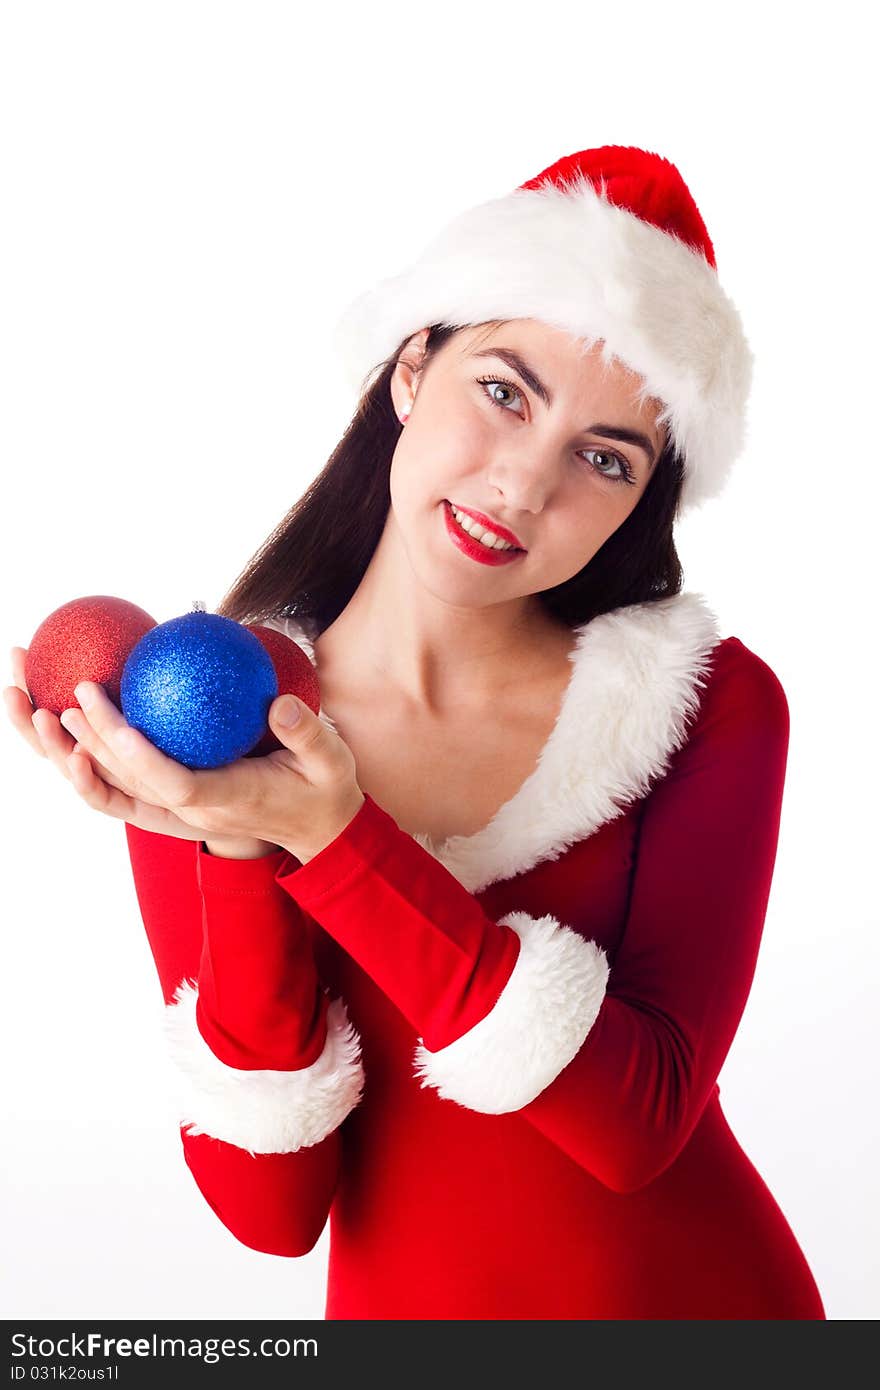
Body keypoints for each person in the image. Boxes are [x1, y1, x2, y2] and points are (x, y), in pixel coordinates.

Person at [6, 145, 827, 1320]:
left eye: (604, 458)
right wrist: (238, 844)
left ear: (640, 500)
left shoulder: (703, 703)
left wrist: (337, 839)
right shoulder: (204, 725)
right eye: (505, 390)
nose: (524, 484)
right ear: (410, 369)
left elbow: (635, 1124)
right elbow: (270, 1209)